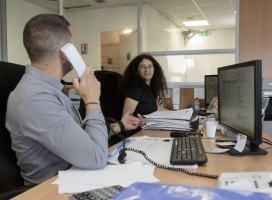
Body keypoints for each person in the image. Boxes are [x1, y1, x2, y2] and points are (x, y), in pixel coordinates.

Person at [5, 14, 140, 185]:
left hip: (77, 176)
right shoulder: (36, 99)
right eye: (73, 47)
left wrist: (119, 125)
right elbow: (96, 157)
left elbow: (79, 137)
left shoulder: (49, 89)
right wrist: (92, 101)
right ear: (65, 53)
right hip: (54, 191)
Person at [122, 54, 168, 129]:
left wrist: (179, 113)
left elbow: (157, 109)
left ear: (154, 70)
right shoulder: (135, 89)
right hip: (137, 132)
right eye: (142, 67)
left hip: (150, 128)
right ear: (137, 71)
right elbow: (126, 117)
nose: (147, 70)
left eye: (150, 66)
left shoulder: (150, 89)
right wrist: (139, 122)